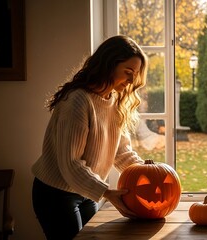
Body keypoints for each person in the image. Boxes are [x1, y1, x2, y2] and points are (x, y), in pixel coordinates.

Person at [31, 35, 147, 240]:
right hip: (56, 194)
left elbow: (121, 152)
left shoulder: (114, 100)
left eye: (135, 74)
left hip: (86, 191)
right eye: (128, 72)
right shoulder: (77, 101)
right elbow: (71, 163)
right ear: (109, 65)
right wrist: (106, 192)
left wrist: (149, 172)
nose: (131, 80)